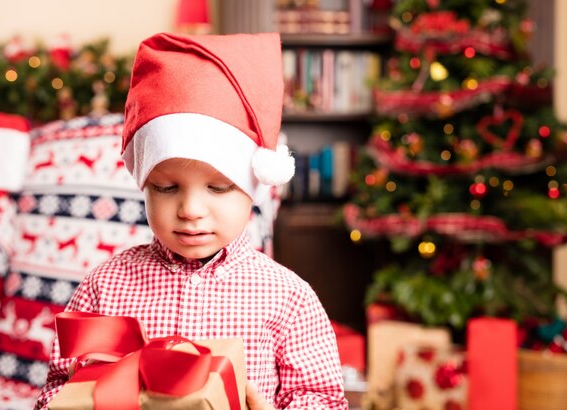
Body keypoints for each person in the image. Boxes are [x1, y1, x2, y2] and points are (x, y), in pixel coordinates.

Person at [35, 32, 347, 409]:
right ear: (143, 185)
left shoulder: (287, 298)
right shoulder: (106, 287)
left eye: (217, 188)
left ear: (254, 190)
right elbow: (58, 385)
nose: (190, 209)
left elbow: (321, 397)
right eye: (167, 188)